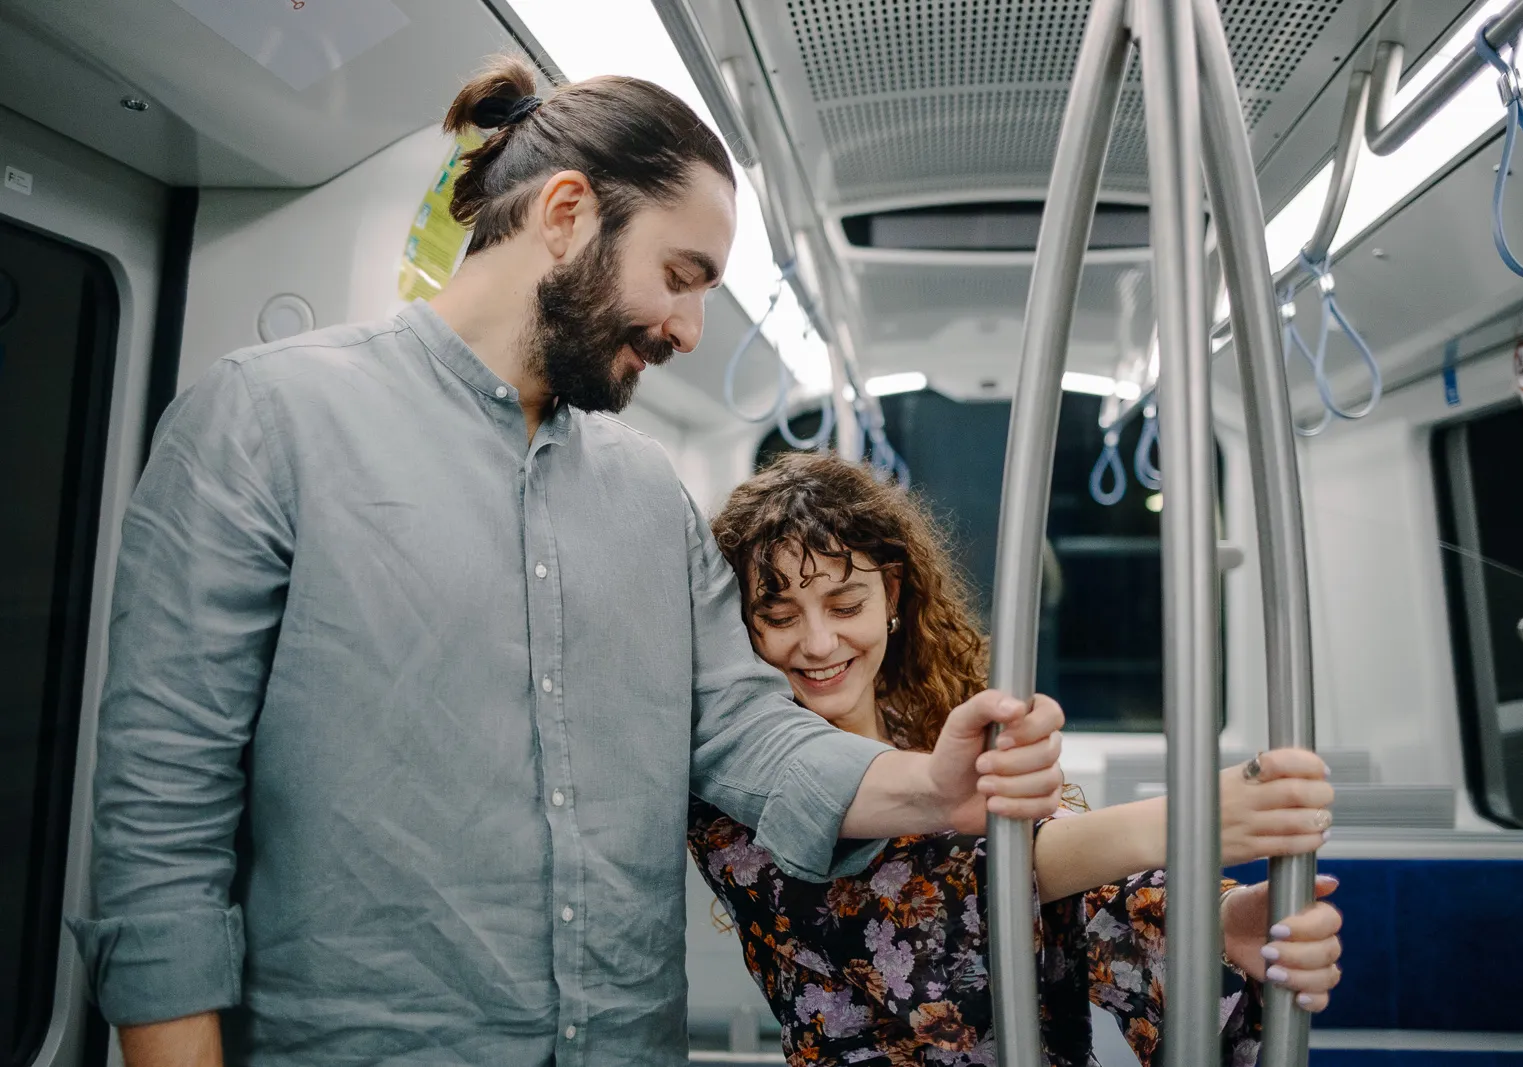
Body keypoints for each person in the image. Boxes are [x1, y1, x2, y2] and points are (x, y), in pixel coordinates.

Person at [67, 59, 1071, 1067]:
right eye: (679, 277)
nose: (687, 329)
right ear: (565, 211)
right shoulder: (265, 419)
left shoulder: (648, 492)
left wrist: (930, 786)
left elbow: (743, 731)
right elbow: (159, 826)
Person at [689, 452, 1344, 1065]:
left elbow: (1085, 898)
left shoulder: (935, 723)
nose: (819, 641)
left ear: (891, 595)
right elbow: (918, 904)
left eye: (845, 603)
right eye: (779, 614)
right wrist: (1179, 824)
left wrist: (1221, 921)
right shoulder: (739, 796)